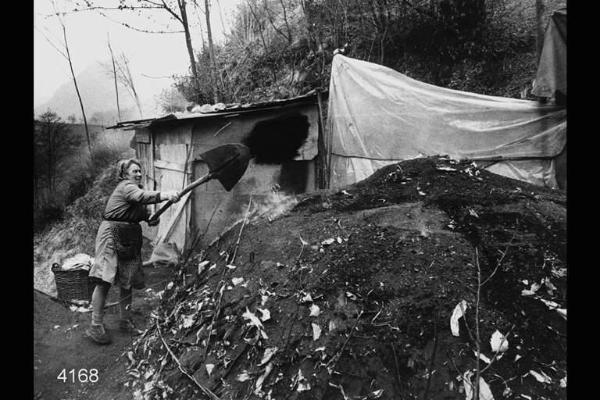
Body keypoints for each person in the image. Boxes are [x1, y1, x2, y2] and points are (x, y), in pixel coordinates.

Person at [85, 158, 180, 345]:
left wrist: (152, 219)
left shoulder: (137, 192)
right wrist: (166, 194)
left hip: (129, 237)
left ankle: (125, 320)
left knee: (127, 280)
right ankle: (95, 325)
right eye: (134, 171)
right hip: (111, 234)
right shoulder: (126, 187)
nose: (138, 174)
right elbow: (141, 196)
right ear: (124, 174)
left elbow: (146, 216)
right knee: (104, 279)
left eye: (139, 171)